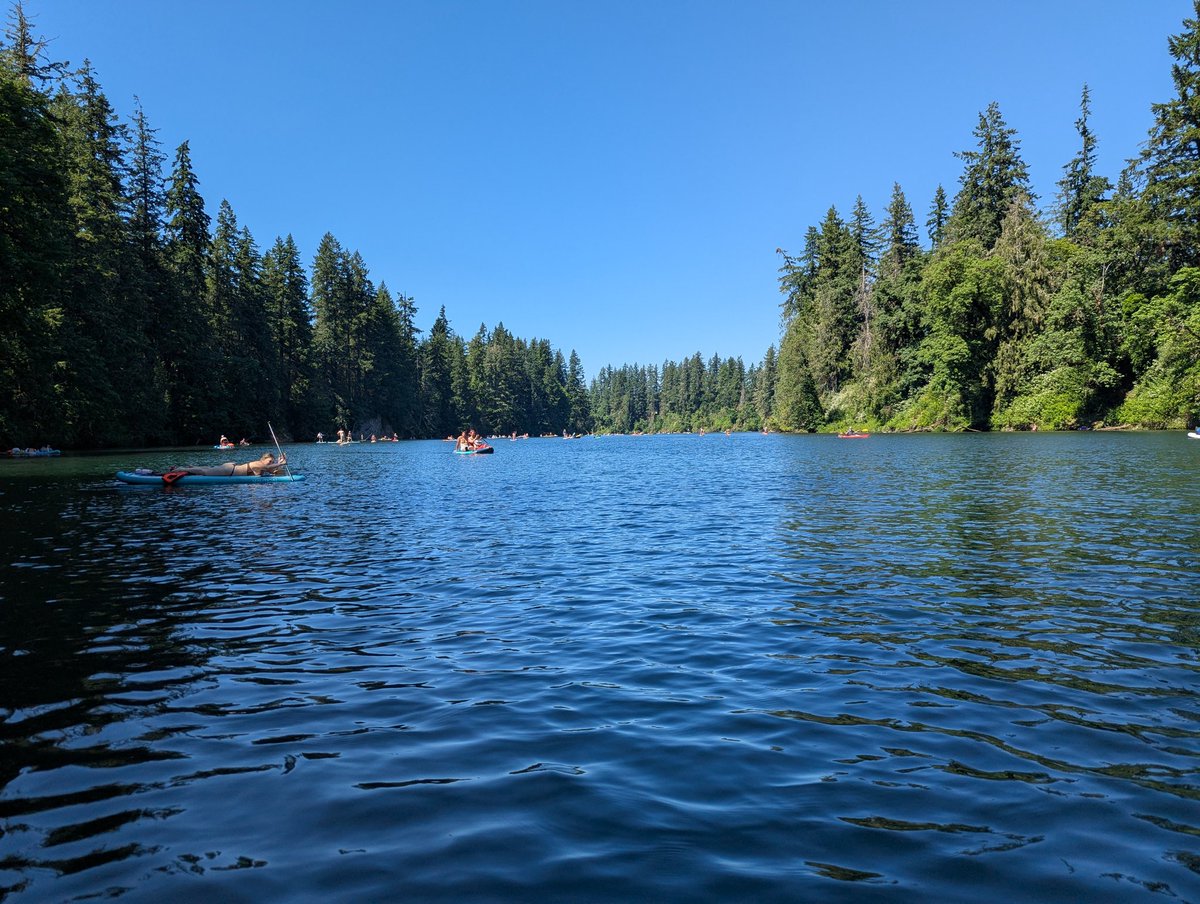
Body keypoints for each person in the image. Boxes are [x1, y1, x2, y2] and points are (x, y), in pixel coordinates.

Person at [170, 451, 287, 477]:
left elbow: (275, 472)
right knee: (204, 472)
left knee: (209, 468)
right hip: (229, 471)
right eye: (269, 461)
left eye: (272, 461)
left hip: (230, 468)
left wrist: (280, 462)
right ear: (263, 459)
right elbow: (267, 467)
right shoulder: (259, 463)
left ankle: (191, 468)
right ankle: (180, 469)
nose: (271, 463)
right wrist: (279, 463)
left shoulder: (264, 466)